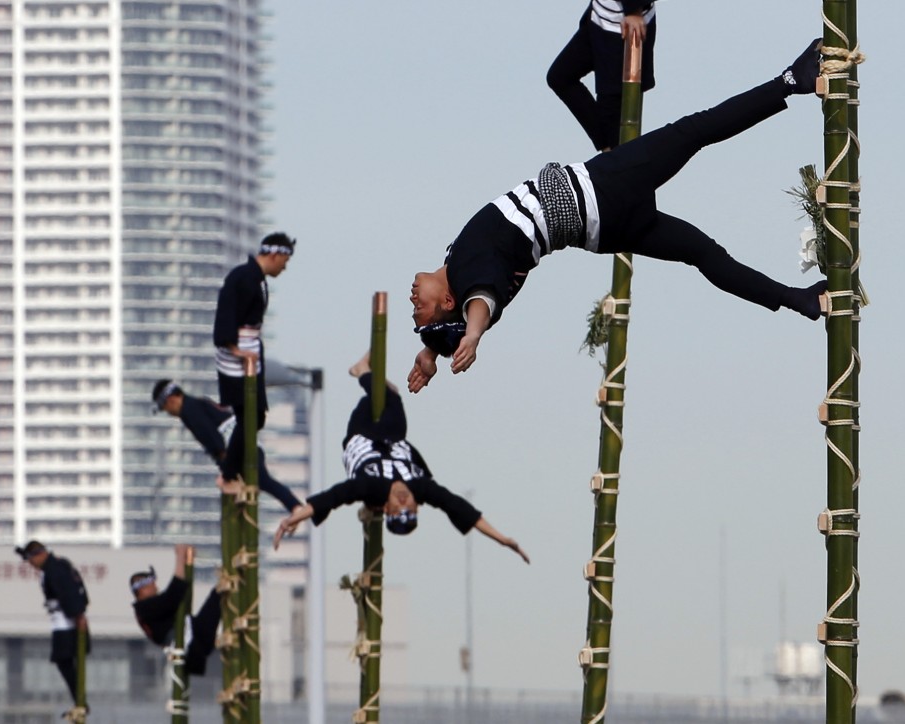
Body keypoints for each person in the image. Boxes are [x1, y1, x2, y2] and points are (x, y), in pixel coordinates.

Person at [408, 41, 827, 393]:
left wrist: (432, 350)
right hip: (602, 189)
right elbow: (479, 303)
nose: (411, 301)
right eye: (420, 310)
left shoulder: (464, 266)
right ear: (447, 300)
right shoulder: (469, 271)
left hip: (603, 228)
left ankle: (799, 300)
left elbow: (467, 312)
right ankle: (792, 80)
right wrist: (474, 335)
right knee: (693, 131)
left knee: (704, 254)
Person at [273, 353, 529, 563]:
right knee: (392, 397)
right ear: (417, 505)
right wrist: (503, 539)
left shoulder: (373, 488)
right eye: (410, 508)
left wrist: (295, 517)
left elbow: (333, 497)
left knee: (375, 398)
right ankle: (368, 375)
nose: (404, 502)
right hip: (394, 439)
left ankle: (362, 371)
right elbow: (461, 509)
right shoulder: (421, 487)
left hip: (363, 436)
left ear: (387, 507)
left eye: (399, 509)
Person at [213, 232, 295, 484]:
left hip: (250, 353)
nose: (285, 266)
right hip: (237, 357)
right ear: (274, 254)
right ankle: (229, 474)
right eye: (285, 260)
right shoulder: (242, 277)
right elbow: (226, 314)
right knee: (249, 416)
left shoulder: (256, 279)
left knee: (254, 417)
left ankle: (232, 470)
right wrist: (233, 348)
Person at [151, 379, 301, 512]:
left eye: (165, 409)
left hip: (237, 449)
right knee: (261, 481)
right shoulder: (198, 403)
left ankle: (295, 507)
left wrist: (227, 469)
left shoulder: (189, 410)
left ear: (171, 400)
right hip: (247, 443)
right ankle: (294, 506)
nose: (169, 413)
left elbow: (212, 438)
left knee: (257, 481)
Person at [547, 0, 657, 152]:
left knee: (613, 111)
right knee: (560, 77)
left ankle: (613, 155)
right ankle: (607, 148)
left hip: (621, 29)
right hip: (600, 17)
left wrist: (633, 10)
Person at [15, 541, 90, 705]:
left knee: (64, 660)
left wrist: (77, 615)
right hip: (61, 622)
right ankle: (79, 699)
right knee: (64, 662)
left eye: (31, 559)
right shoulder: (52, 568)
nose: (31, 564)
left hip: (67, 624)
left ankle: (80, 700)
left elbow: (70, 592)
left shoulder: (55, 568)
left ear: (40, 554)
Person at [130, 544, 221, 676]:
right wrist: (180, 557)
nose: (156, 587)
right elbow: (174, 594)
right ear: (142, 589)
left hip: (193, 633)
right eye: (152, 584)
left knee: (218, 595)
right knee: (217, 596)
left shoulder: (148, 607)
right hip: (188, 644)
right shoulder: (144, 609)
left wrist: (186, 559)